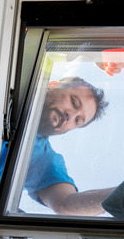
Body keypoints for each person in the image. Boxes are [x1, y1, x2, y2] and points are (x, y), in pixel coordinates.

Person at [9, 75, 118, 216]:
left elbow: (66, 204)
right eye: (74, 102)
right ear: (52, 84)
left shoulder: (41, 158)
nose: (70, 116)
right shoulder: (10, 81)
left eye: (77, 120)